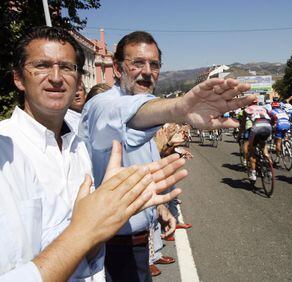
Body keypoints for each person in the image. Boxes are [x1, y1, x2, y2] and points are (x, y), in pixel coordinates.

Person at [0, 26, 185, 281]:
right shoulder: (5, 151)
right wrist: (180, 107)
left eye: (66, 67)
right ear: (19, 78)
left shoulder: (78, 143)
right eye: (42, 65)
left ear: (77, 79)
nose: (56, 77)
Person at [79, 30, 253, 281]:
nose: (147, 71)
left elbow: (144, 163)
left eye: (155, 64)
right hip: (111, 245)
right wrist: (177, 108)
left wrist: (160, 207)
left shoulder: (149, 111)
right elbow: (128, 113)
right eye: (137, 63)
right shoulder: (101, 104)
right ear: (117, 69)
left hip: (138, 239)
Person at [239, 97, 272, 181]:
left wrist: (240, 134)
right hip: (268, 127)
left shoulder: (246, 110)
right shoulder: (263, 108)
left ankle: (253, 174)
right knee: (264, 148)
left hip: (256, 128)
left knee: (252, 151)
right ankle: (269, 168)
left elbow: (243, 124)